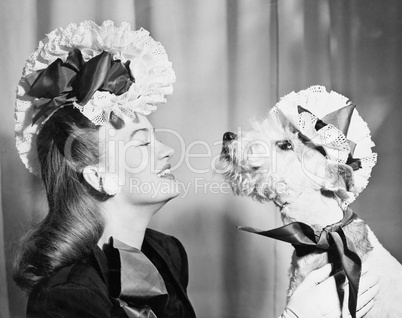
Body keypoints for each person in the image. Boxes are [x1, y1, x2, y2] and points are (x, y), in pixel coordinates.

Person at [13, 20, 378, 318]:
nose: (169, 151)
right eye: (143, 142)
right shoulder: (63, 300)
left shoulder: (167, 253)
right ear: (98, 177)